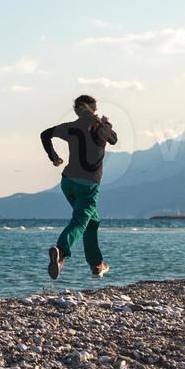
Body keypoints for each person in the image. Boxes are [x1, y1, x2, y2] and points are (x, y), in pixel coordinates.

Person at [40, 95, 118, 279]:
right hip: (88, 186)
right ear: (94, 109)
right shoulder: (101, 128)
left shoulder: (70, 127)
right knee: (80, 222)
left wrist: (54, 157)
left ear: (76, 110)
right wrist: (107, 124)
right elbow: (113, 140)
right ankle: (61, 251)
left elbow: (45, 134)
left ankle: (96, 265)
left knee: (92, 220)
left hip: (68, 183)